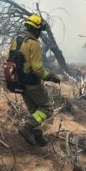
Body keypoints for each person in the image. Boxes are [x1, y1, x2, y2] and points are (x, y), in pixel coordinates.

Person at [9, 14, 61, 146]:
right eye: (39, 31)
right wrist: (51, 77)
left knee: (34, 110)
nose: (39, 34)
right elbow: (37, 69)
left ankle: (37, 135)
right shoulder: (34, 44)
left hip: (18, 82)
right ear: (36, 30)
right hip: (32, 83)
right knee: (47, 108)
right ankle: (27, 127)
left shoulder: (16, 40)